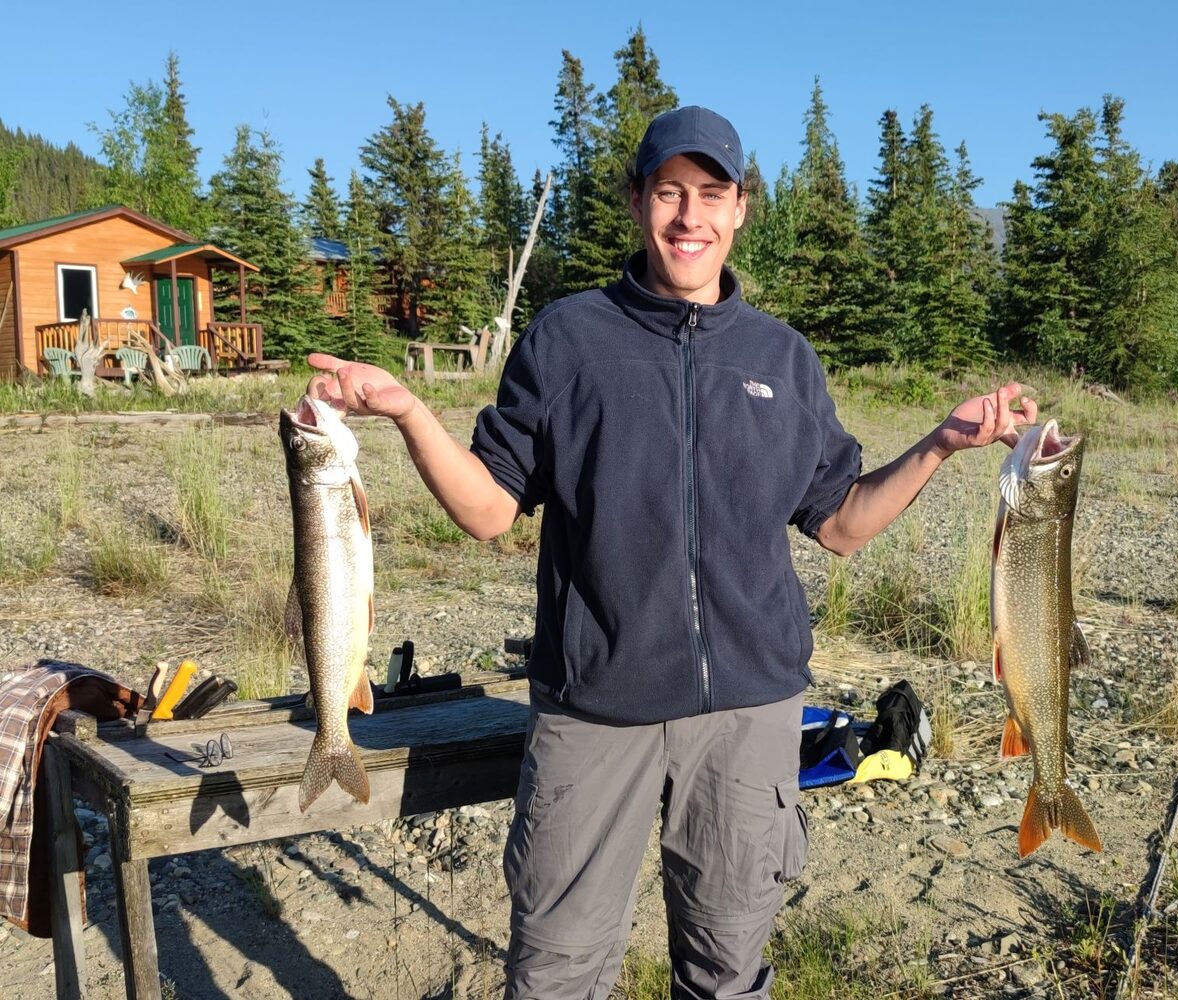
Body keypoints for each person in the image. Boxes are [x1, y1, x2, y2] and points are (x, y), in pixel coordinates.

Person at [308, 105, 1036, 1000]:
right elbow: (491, 510)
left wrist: (939, 443)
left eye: (710, 196)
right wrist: (412, 413)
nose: (689, 217)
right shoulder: (568, 340)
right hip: (593, 711)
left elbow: (842, 521)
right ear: (638, 203)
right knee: (556, 973)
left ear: (739, 212)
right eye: (669, 193)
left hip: (748, 714)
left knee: (727, 974)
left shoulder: (783, 358)